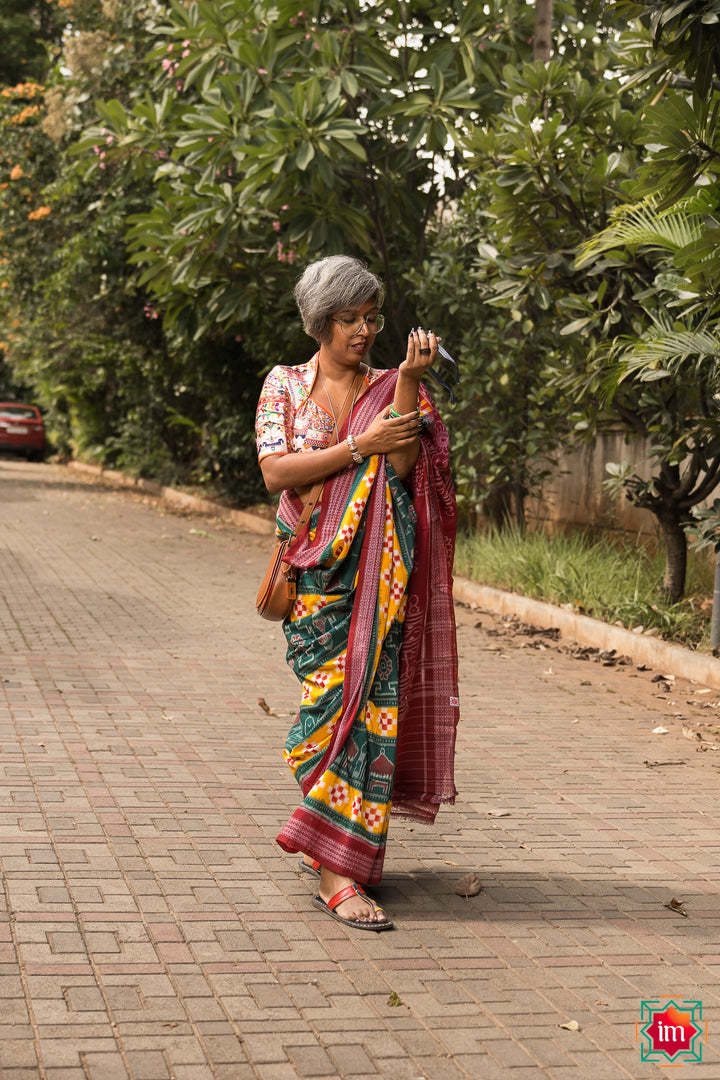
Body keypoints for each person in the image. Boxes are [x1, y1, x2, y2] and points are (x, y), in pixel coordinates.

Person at [255, 254, 460, 931]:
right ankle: (335, 852)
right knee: (328, 710)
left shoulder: (388, 383)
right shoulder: (286, 385)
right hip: (316, 577)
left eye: (371, 318)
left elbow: (403, 466)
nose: (364, 330)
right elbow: (276, 472)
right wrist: (356, 447)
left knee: (373, 713)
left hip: (380, 575)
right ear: (321, 321)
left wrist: (407, 382)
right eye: (350, 319)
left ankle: (342, 868)